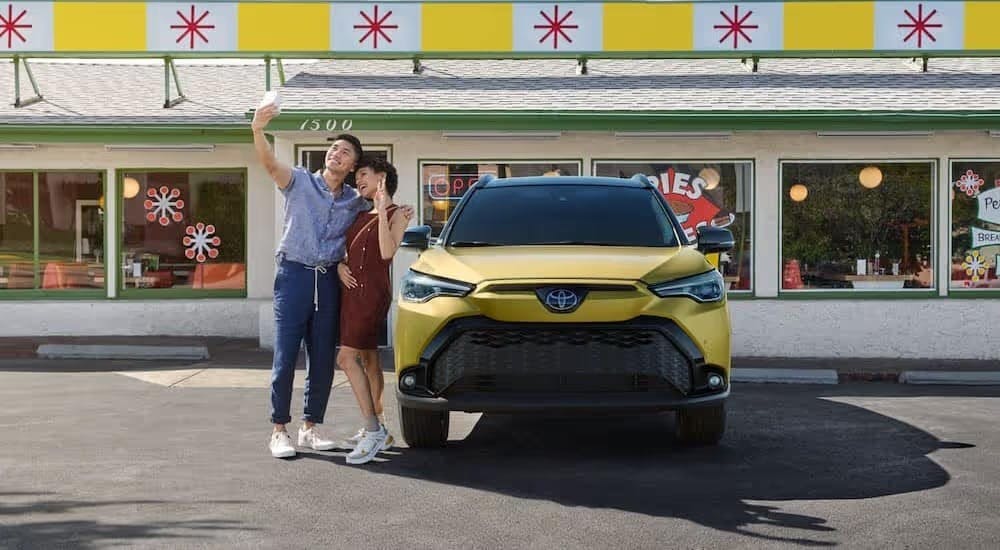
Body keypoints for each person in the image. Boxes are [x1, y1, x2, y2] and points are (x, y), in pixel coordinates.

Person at [252, 102, 371, 459]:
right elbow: (270, 165)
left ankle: (310, 427)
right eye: (334, 148)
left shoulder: (354, 201)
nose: (337, 153)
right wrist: (258, 129)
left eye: (345, 152)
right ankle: (279, 430)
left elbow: (370, 227)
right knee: (286, 356)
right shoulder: (300, 181)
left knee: (321, 358)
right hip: (294, 275)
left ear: (352, 166)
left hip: (328, 283)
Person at [336, 156, 411, 464]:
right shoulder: (358, 213)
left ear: (382, 177)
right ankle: (379, 424)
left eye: (364, 174)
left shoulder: (399, 213)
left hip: (372, 294)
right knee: (368, 358)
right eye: (357, 178)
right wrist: (340, 265)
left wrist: (381, 211)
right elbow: (346, 251)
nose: (358, 181)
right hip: (350, 292)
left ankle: (373, 430)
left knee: (345, 357)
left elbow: (385, 253)